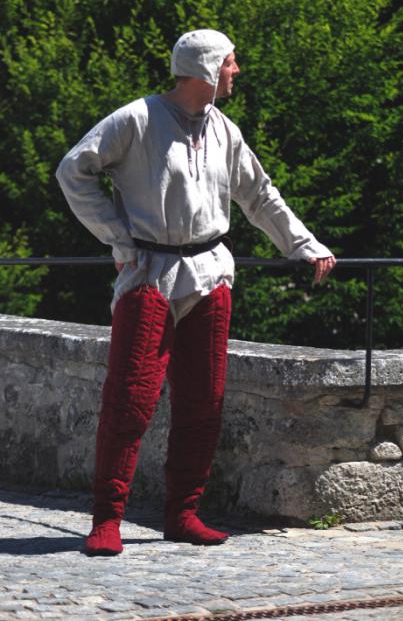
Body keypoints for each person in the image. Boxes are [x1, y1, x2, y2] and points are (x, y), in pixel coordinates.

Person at [56, 29, 336, 556]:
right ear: (206, 67)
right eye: (230, 62)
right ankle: (107, 519)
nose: (236, 71)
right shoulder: (137, 119)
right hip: (149, 273)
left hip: (210, 274)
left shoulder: (224, 129)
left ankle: (183, 514)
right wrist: (117, 236)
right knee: (130, 400)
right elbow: (74, 170)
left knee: (203, 401)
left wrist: (304, 244)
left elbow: (259, 195)